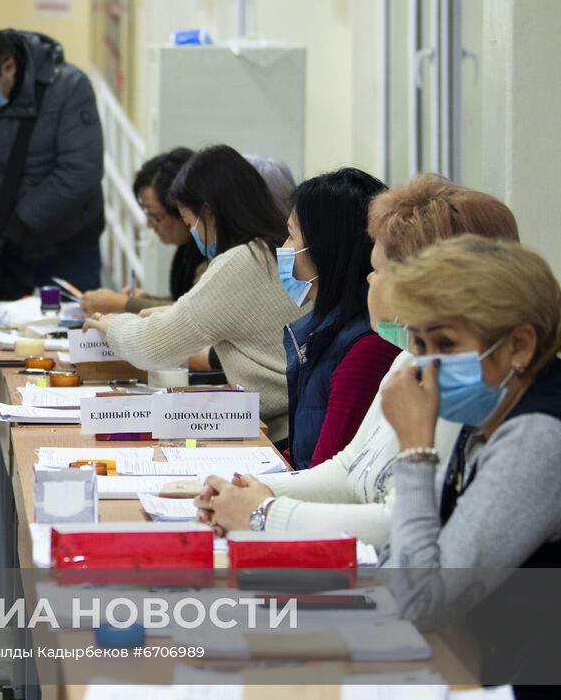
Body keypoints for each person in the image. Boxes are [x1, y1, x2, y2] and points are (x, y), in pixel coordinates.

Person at [196, 175, 519, 543]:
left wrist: (264, 512)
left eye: (380, 270)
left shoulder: (465, 385)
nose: (369, 279)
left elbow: (400, 524)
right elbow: (350, 467)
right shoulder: (409, 360)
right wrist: (244, 494)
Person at [378, 236, 561, 700]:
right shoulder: (493, 417)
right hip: (493, 690)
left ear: (519, 345)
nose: (425, 367)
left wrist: (415, 450)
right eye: (418, 343)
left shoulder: (539, 437)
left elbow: (422, 599)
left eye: (445, 345)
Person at [83, 144, 302, 445]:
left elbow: (153, 347)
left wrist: (113, 325)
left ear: (210, 214)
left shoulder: (242, 261)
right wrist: (158, 314)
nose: (193, 234)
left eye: (190, 223)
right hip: (287, 419)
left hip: (279, 433)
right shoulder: (269, 249)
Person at [0, 24, 105, 297]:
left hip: (66, 244)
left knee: (69, 332)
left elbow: (80, 171)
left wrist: (12, 223)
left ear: (9, 67)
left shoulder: (69, 88)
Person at [279, 167, 397, 469]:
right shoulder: (323, 331)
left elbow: (327, 468)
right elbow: (306, 451)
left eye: (291, 236)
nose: (283, 249)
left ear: (326, 247)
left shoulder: (366, 347)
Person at [80, 147, 202, 315]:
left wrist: (123, 304)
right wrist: (144, 300)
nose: (149, 225)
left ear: (182, 209)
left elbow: (194, 313)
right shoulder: (189, 247)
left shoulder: (215, 250)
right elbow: (184, 300)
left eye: (155, 216)